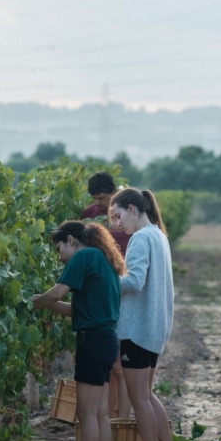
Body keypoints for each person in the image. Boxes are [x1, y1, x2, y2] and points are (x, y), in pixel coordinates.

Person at [31, 221, 126, 441]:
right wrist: (45, 302)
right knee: (99, 413)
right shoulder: (102, 259)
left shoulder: (83, 256)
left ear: (71, 240)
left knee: (85, 414)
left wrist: (30, 302)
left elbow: (57, 293)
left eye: (59, 248)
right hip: (106, 340)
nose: (59, 256)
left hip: (92, 342)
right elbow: (75, 309)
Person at [107, 187, 183, 441]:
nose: (117, 223)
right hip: (155, 328)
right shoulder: (159, 235)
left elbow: (135, 282)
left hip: (138, 329)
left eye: (118, 215)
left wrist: (106, 279)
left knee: (139, 397)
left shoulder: (141, 237)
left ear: (133, 209)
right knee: (148, 395)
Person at [81, 171, 131, 419]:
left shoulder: (126, 218)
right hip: (100, 294)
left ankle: (121, 418)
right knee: (110, 365)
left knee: (120, 366)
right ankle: (108, 417)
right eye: (96, 198)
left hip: (123, 291)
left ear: (113, 193)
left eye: (103, 197)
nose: (100, 203)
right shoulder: (89, 215)